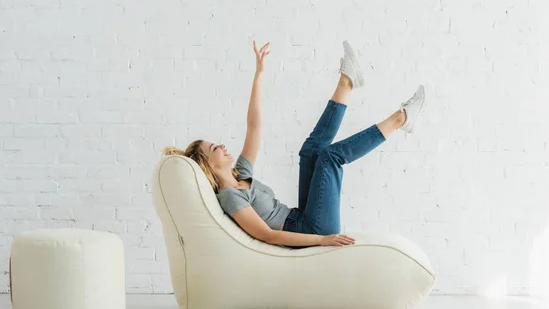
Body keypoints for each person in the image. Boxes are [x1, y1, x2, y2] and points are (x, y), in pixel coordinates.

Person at [163, 40, 426, 248]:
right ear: (207, 165)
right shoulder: (230, 197)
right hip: (310, 230)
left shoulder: (240, 174)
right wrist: (322, 240)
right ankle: (400, 119)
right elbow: (267, 235)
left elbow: (254, 126)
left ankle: (347, 81)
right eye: (214, 148)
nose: (221, 146)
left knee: (310, 152)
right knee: (330, 157)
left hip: (302, 217)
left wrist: (259, 74)